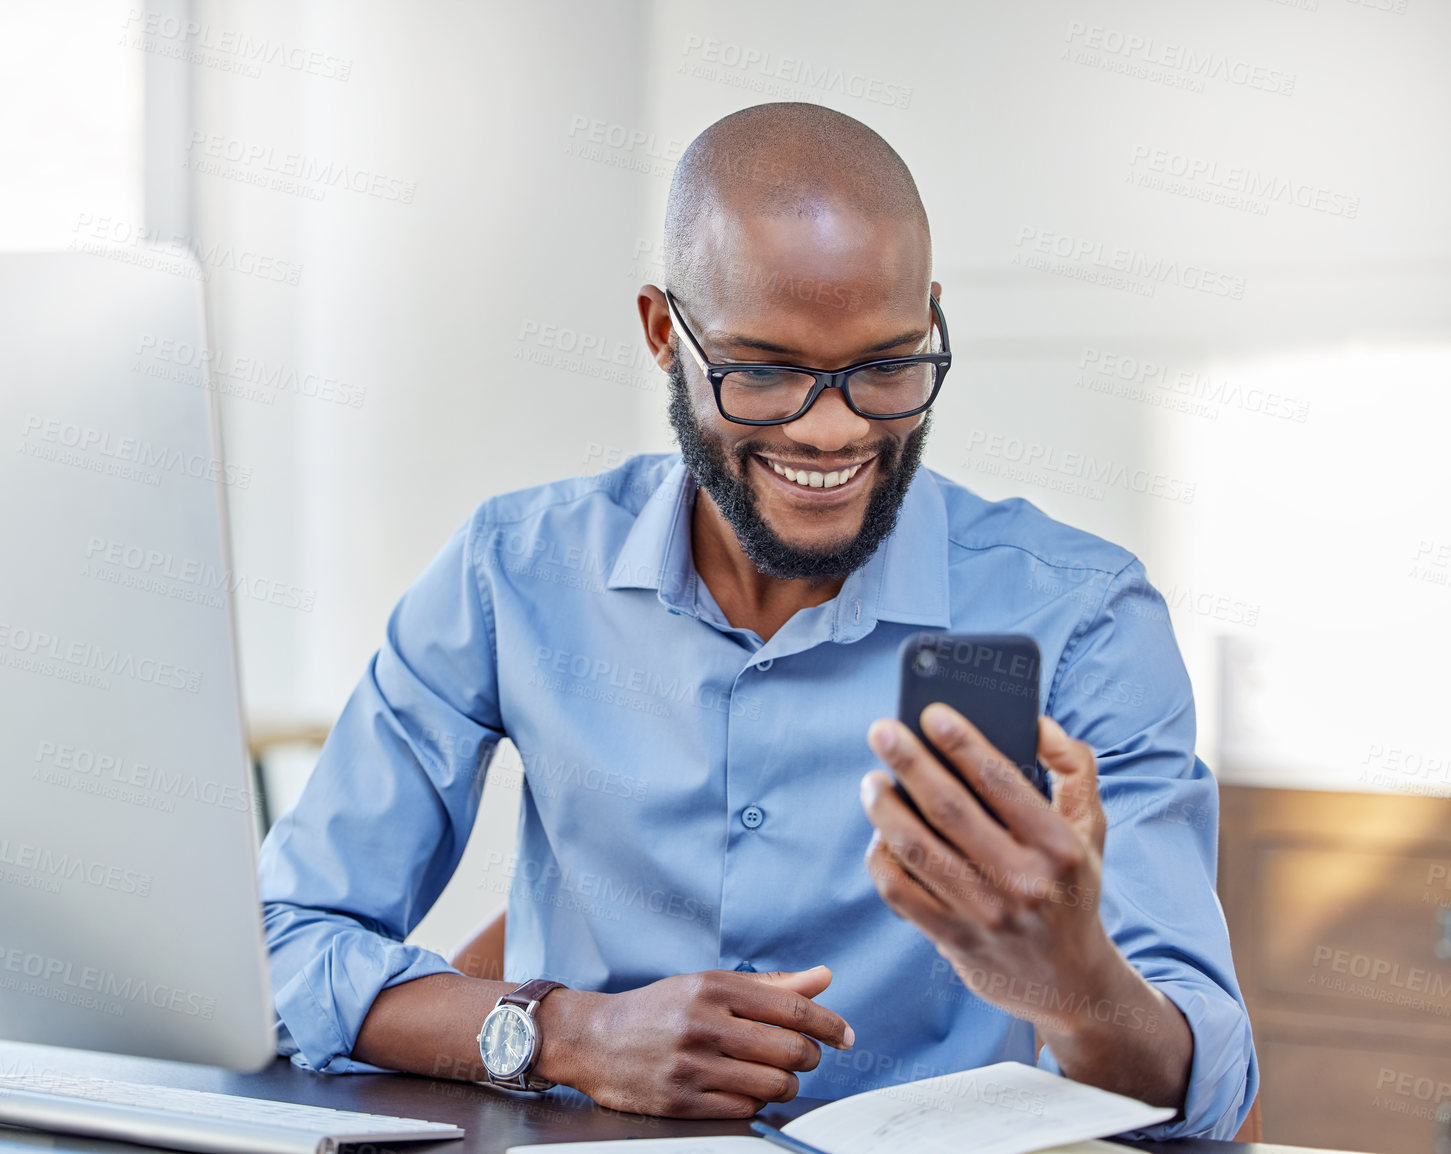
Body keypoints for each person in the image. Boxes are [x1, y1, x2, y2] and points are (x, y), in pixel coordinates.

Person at [258, 102, 1257, 1139]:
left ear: (930, 319)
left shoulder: (1084, 616)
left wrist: (1075, 977)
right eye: (766, 370)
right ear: (663, 334)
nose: (833, 430)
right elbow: (284, 937)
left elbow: (1209, 1096)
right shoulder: (514, 572)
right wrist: (569, 1035)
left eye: (886, 364)